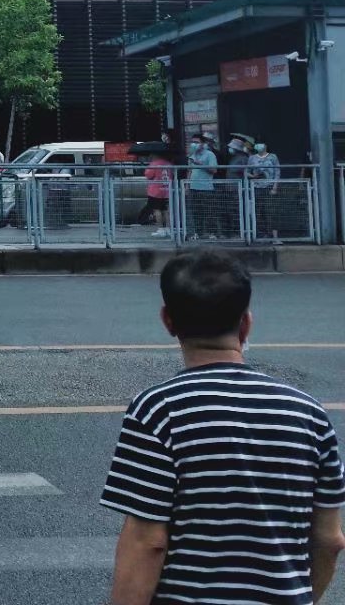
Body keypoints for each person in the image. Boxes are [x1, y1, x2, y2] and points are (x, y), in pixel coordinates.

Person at [100, 250, 344, 605]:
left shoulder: (157, 410)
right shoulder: (309, 414)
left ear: (168, 321)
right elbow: (330, 540)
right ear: (246, 324)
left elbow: (147, 541)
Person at [187, 133, 219, 239]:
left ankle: (212, 233)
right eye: (192, 142)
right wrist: (187, 185)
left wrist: (199, 164)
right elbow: (190, 170)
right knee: (196, 212)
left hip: (206, 187)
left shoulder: (210, 154)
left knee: (209, 211)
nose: (194, 144)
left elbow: (214, 170)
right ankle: (198, 233)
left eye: (196, 142)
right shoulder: (192, 155)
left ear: (203, 143)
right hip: (193, 187)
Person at [249, 140, 282, 240]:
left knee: (272, 211)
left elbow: (277, 172)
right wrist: (253, 176)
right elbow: (246, 172)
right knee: (259, 212)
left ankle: (275, 236)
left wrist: (275, 187)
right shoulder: (252, 158)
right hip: (257, 187)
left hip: (270, 186)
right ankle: (262, 234)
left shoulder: (273, 157)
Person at [142, 151, 172, 237]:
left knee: (157, 210)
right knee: (165, 210)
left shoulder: (154, 164)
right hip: (166, 190)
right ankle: (168, 229)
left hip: (155, 191)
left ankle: (160, 229)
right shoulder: (168, 164)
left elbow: (148, 175)